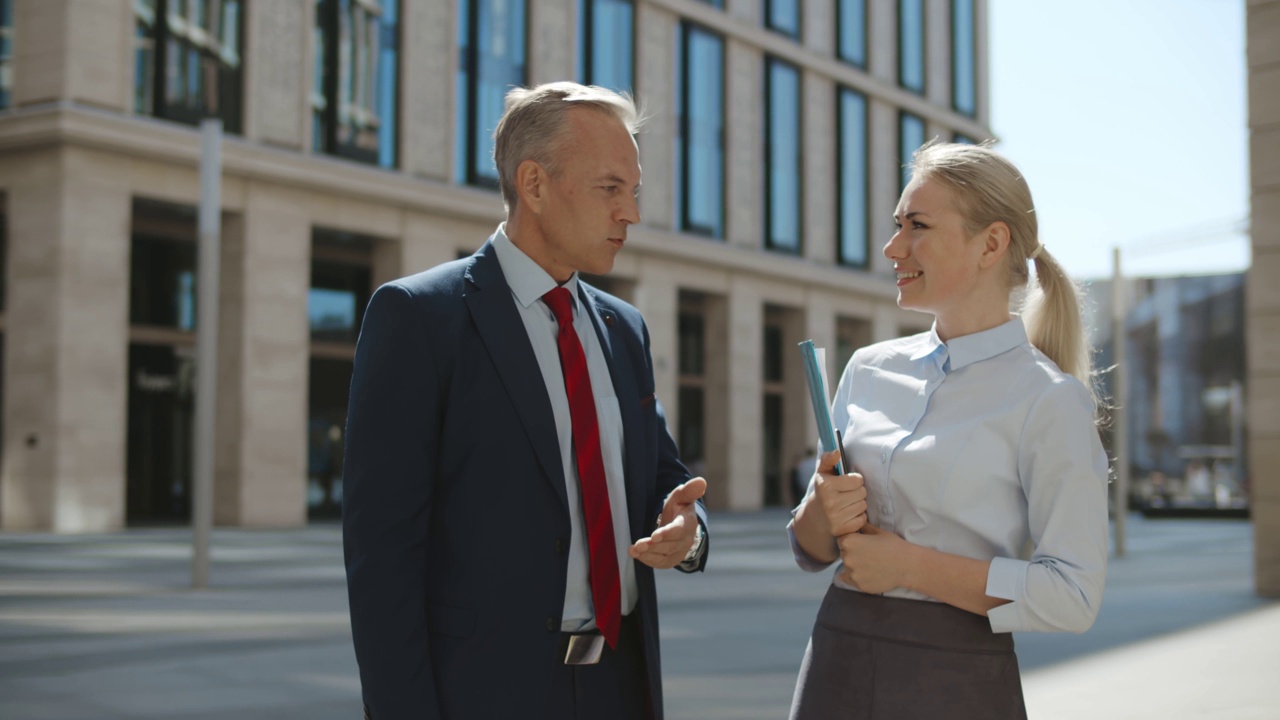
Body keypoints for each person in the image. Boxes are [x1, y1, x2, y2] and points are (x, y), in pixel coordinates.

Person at [342, 82, 709, 720]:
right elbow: (383, 558)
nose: (632, 213)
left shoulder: (626, 329)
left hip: (621, 688)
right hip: (484, 694)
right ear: (534, 185)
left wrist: (688, 533)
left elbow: (659, 479)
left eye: (635, 190)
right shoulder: (419, 318)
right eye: (610, 188)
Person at [787, 140, 1109, 720]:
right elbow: (811, 550)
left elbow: (1074, 597)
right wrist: (820, 509)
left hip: (956, 682)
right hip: (835, 658)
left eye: (917, 226)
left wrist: (910, 567)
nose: (892, 247)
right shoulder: (868, 368)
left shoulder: (1048, 400)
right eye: (895, 225)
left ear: (992, 242)